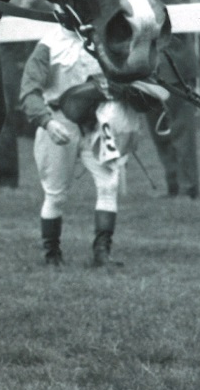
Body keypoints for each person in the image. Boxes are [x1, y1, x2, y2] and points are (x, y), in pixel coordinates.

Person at [18, 25, 148, 268]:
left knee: (109, 184)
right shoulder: (49, 45)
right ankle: (52, 255)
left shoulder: (102, 41)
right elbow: (29, 92)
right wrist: (46, 121)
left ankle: (102, 253)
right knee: (56, 194)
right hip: (60, 122)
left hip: (95, 121)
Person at [143, 0, 200, 199]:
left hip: (173, 65)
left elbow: (181, 18)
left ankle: (188, 188)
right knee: (158, 131)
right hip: (145, 67)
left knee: (180, 129)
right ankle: (173, 185)